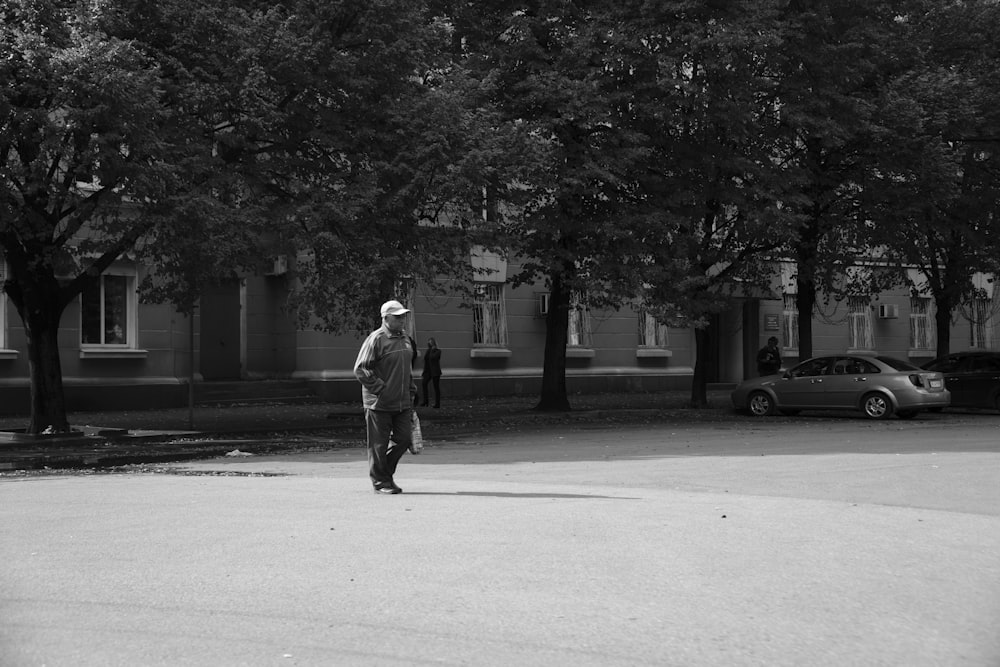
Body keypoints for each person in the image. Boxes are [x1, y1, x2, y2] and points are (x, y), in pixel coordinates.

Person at [353, 299, 417, 495]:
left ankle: (384, 474)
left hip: (403, 401)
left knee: (404, 439)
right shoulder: (376, 339)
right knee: (378, 445)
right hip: (378, 403)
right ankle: (381, 482)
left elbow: (407, 369)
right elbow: (361, 369)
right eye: (397, 317)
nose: (402, 320)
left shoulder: (405, 339)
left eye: (403, 316)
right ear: (386, 318)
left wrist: (411, 390)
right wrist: (381, 389)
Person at [420, 337, 442, 408]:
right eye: (428, 342)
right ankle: (425, 401)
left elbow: (433, 357)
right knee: (424, 383)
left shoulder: (438, 351)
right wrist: (424, 371)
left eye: (430, 342)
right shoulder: (428, 351)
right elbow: (426, 360)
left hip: (435, 372)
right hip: (428, 371)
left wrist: (432, 350)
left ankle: (437, 403)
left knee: (436, 387)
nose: (429, 344)